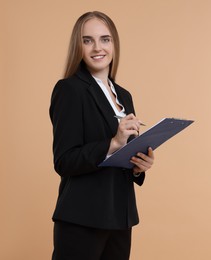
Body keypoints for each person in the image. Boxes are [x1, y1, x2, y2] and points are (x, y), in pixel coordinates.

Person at [49, 11, 154, 260]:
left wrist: (139, 167)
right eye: (88, 40)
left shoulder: (124, 96)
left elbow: (122, 159)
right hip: (82, 220)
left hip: (120, 217)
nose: (98, 47)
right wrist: (113, 143)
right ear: (79, 46)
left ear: (114, 44)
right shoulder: (69, 90)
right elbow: (64, 161)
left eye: (105, 39)